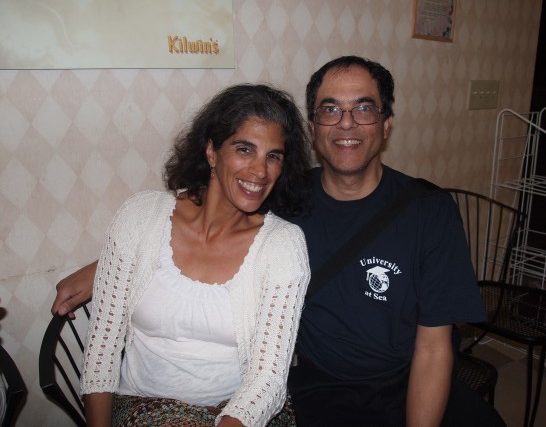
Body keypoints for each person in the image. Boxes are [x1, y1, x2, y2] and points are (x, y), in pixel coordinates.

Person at [53, 57, 505, 426]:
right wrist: (107, 268)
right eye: (330, 109)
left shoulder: (428, 211)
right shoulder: (283, 196)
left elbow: (434, 347)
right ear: (313, 126)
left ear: (386, 124)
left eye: (364, 108)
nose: (346, 123)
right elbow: (200, 215)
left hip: (404, 382)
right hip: (317, 389)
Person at [79, 84, 312, 427]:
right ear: (212, 152)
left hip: (239, 414)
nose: (261, 171)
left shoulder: (282, 245)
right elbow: (102, 349)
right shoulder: (140, 217)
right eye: (245, 149)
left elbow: (267, 381)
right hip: (141, 409)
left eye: (273, 156)